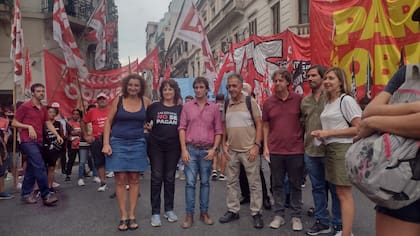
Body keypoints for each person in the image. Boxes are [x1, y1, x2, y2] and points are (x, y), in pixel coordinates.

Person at [357, 64, 420, 236]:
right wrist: (413, 108)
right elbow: (368, 112)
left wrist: (375, 122)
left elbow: (370, 119)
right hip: (401, 179)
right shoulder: (408, 73)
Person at [311, 67, 362, 236]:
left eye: (331, 78)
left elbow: (359, 128)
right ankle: (344, 231)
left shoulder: (345, 100)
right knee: (339, 192)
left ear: (340, 81)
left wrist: (328, 133)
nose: (326, 81)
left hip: (341, 150)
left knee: (344, 193)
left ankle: (347, 233)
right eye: (325, 78)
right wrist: (322, 135)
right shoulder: (328, 102)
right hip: (330, 149)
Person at [102, 74, 151, 231]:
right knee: (121, 179)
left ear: (141, 87)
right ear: (126, 86)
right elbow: (108, 122)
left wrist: (150, 127)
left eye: (136, 85)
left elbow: (152, 121)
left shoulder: (146, 102)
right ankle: (123, 216)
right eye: (130, 85)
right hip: (118, 142)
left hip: (138, 143)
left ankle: (132, 215)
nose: (133, 88)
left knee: (135, 178)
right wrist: (106, 143)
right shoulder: (119, 100)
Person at [218, 74, 264, 229]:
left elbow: (259, 124)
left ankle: (256, 212)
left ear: (240, 86)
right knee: (231, 182)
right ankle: (233, 210)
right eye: (229, 86)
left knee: (254, 183)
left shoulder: (250, 102)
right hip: (232, 151)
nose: (231, 89)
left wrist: (256, 145)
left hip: (248, 150)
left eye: (234, 86)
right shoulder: (226, 103)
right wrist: (224, 144)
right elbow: (224, 125)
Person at [301, 65, 342, 235]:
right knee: (317, 189)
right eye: (308, 76)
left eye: (313, 76)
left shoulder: (333, 98)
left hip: (331, 151)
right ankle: (322, 222)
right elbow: (303, 124)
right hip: (311, 151)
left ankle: (339, 224)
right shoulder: (305, 101)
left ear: (323, 77)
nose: (310, 79)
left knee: (336, 190)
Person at [263, 69, 305, 231]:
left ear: (288, 82)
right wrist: (266, 146)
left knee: (295, 184)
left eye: (280, 80)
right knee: (277, 184)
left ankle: (296, 216)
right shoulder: (268, 103)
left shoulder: (299, 100)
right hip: (275, 150)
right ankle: (279, 215)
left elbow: (305, 122)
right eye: (275, 81)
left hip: (296, 149)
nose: (277, 83)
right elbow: (265, 125)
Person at [178, 77, 223, 229]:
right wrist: (183, 149)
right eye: (196, 87)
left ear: (206, 89)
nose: (198, 90)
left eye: (201, 87)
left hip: (207, 151)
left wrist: (214, 149)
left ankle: (204, 213)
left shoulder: (215, 108)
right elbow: (182, 128)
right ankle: (189, 215)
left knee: (205, 183)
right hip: (190, 150)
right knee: (190, 183)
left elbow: (218, 130)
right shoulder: (187, 107)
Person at [12, 83, 62, 206]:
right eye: (38, 91)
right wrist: (28, 126)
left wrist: (57, 135)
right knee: (40, 166)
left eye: (42, 91)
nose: (41, 93)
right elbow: (14, 122)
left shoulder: (43, 108)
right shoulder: (25, 106)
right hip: (27, 141)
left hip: (39, 141)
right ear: (32, 93)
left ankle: (25, 194)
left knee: (31, 169)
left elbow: (47, 123)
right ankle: (46, 195)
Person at [146, 79, 183, 227]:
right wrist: (148, 127)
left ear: (175, 91)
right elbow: (146, 123)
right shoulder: (154, 107)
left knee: (169, 178)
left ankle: (169, 209)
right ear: (161, 92)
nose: (167, 92)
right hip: (156, 147)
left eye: (170, 89)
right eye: (165, 89)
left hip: (174, 148)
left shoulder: (181, 109)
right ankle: (155, 212)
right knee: (156, 177)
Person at [238, 82, 272, 210]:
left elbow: (260, 124)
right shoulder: (235, 103)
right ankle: (246, 195)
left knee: (257, 172)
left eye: (244, 90)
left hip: (253, 142)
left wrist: (259, 143)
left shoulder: (253, 104)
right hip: (239, 143)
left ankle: (265, 198)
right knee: (241, 171)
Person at [82, 92, 110, 191]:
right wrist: (86, 135)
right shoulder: (92, 112)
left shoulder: (112, 110)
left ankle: (122, 183)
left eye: (103, 99)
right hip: (96, 139)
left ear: (107, 100)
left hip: (110, 138)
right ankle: (103, 183)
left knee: (117, 159)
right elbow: (83, 122)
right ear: (97, 101)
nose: (102, 100)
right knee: (99, 161)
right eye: (100, 99)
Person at [42, 103, 64, 193]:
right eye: (50, 112)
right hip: (44, 148)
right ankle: (43, 187)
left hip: (55, 149)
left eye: (53, 112)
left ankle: (50, 186)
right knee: (43, 168)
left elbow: (62, 135)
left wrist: (60, 145)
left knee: (51, 168)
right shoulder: (43, 124)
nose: (52, 114)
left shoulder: (58, 124)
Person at [211, 93, 227, 181]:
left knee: (215, 151)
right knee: (223, 151)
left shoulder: (213, 107)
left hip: (214, 131)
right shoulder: (226, 107)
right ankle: (222, 173)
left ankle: (214, 170)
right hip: (224, 130)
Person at [65, 108, 82, 181]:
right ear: (72, 115)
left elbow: (85, 132)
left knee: (82, 160)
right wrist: (79, 132)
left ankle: (82, 173)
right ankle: (68, 174)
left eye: (77, 114)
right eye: (74, 114)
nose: (75, 115)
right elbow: (72, 132)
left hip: (81, 144)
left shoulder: (81, 123)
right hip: (72, 144)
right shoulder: (68, 123)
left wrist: (78, 132)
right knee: (71, 160)